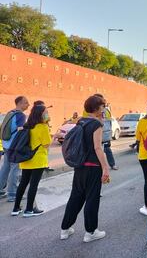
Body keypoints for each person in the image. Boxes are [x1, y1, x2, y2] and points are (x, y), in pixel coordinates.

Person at [60, 95, 110, 243]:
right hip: (93, 167)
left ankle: (65, 229)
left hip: (80, 165)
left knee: (75, 197)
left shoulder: (81, 121)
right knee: (92, 199)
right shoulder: (97, 125)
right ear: (98, 108)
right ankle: (91, 232)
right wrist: (105, 168)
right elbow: (97, 148)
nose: (104, 109)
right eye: (103, 106)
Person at [11, 104, 52, 217]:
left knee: (23, 183)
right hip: (38, 159)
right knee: (33, 184)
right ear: (41, 114)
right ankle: (29, 209)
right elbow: (46, 144)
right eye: (46, 112)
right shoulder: (42, 127)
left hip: (25, 159)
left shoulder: (27, 126)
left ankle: (16, 208)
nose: (47, 114)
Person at [0, 96, 30, 202]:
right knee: (15, 169)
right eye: (26, 103)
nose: (28, 105)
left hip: (6, 144)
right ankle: (12, 194)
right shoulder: (21, 115)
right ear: (20, 103)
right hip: (14, 146)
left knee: (6, 167)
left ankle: (0, 191)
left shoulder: (10, 113)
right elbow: (21, 130)